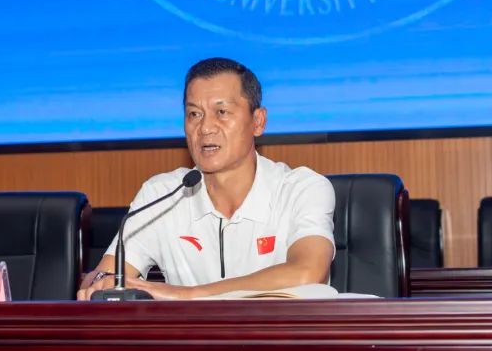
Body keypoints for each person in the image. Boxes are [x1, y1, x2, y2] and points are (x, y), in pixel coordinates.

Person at [77, 57, 335, 300]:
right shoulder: (161, 195)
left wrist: (187, 295)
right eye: (194, 114)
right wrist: (101, 281)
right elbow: (99, 279)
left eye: (221, 112)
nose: (205, 128)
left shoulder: (301, 189)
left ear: (258, 122)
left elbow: (307, 273)